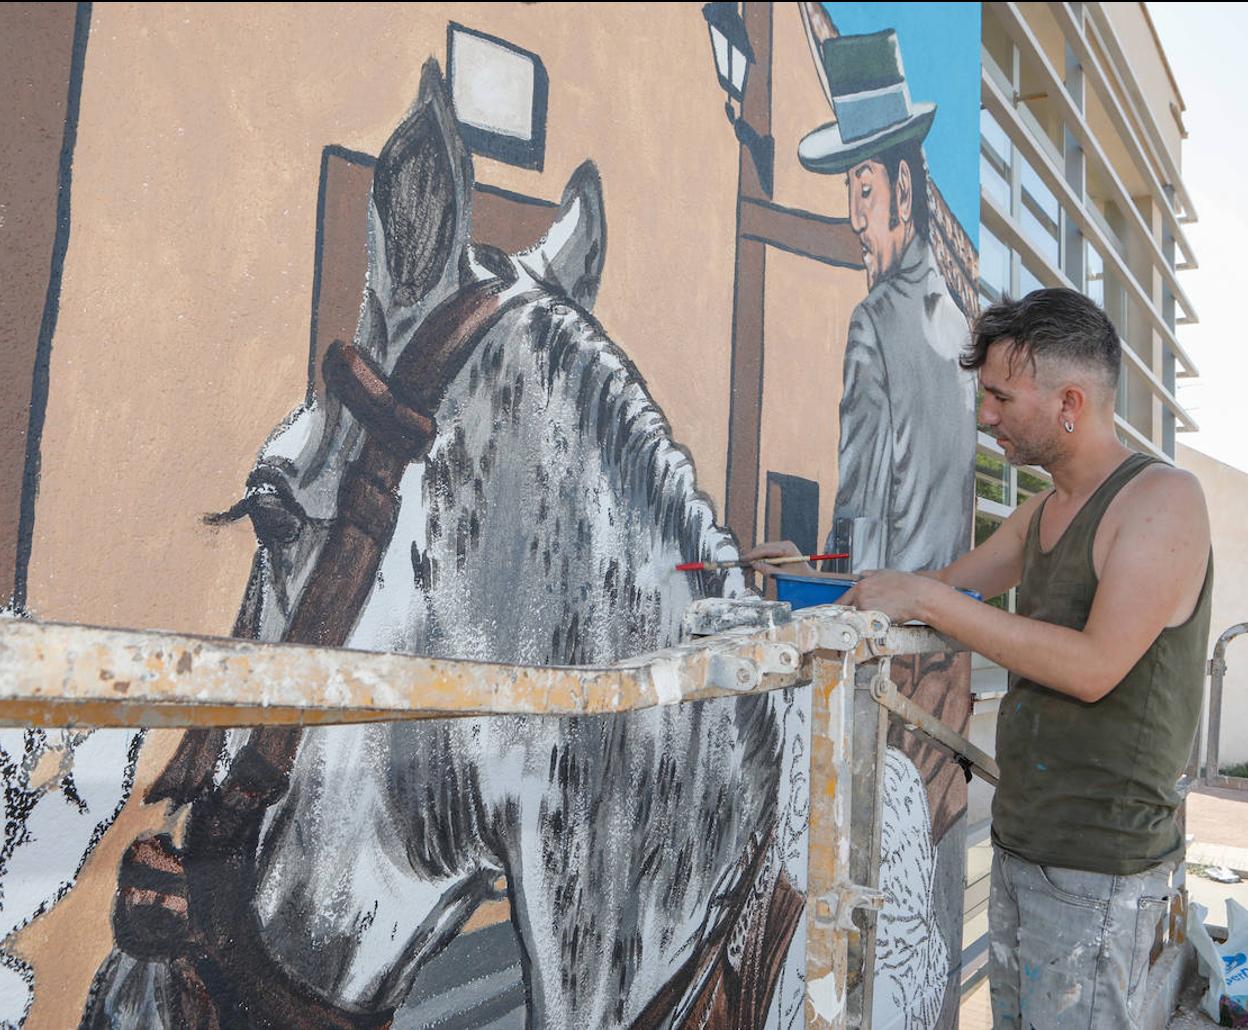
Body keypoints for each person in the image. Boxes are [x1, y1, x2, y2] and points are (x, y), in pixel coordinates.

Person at [749, 288, 1213, 1028]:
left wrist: (930, 604)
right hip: (1023, 848)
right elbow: (930, 589)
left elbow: (1093, 667)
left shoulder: (1163, 501)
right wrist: (803, 575)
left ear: (1069, 402)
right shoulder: (1039, 513)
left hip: (1105, 874)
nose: (985, 414)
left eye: (1000, 395)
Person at [798, 28, 976, 573]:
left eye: (864, 187)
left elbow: (861, 507)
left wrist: (820, 583)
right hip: (937, 615)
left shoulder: (873, 321)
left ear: (902, 190)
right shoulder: (957, 321)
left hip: (879, 618)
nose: (854, 216)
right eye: (850, 191)